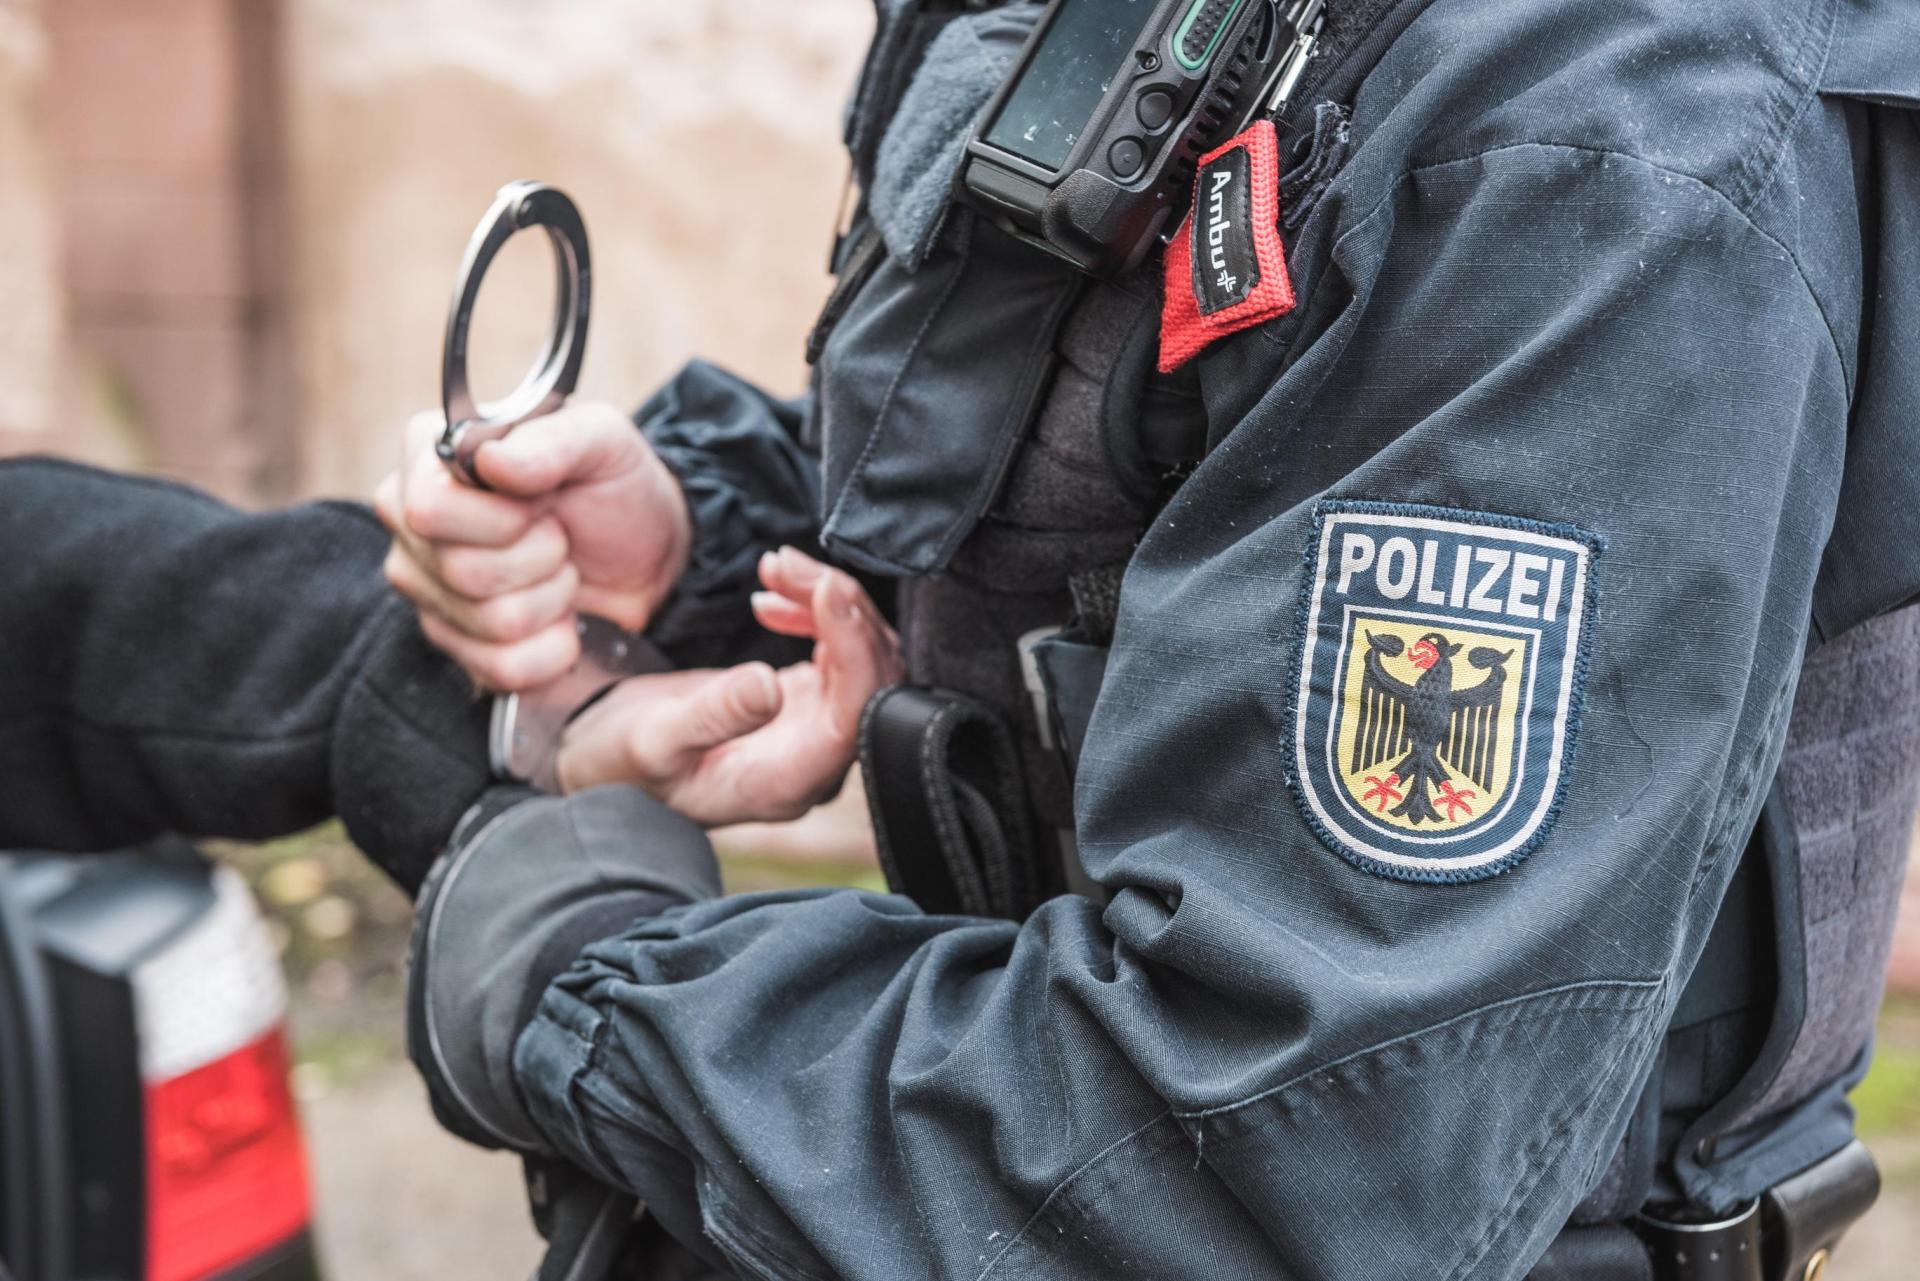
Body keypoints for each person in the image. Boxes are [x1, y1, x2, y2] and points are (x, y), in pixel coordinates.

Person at [382, 0, 1920, 1277]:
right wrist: (714, 545)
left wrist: (573, 976)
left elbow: (1275, 1166)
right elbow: (1168, 449)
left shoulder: (1598, 127)